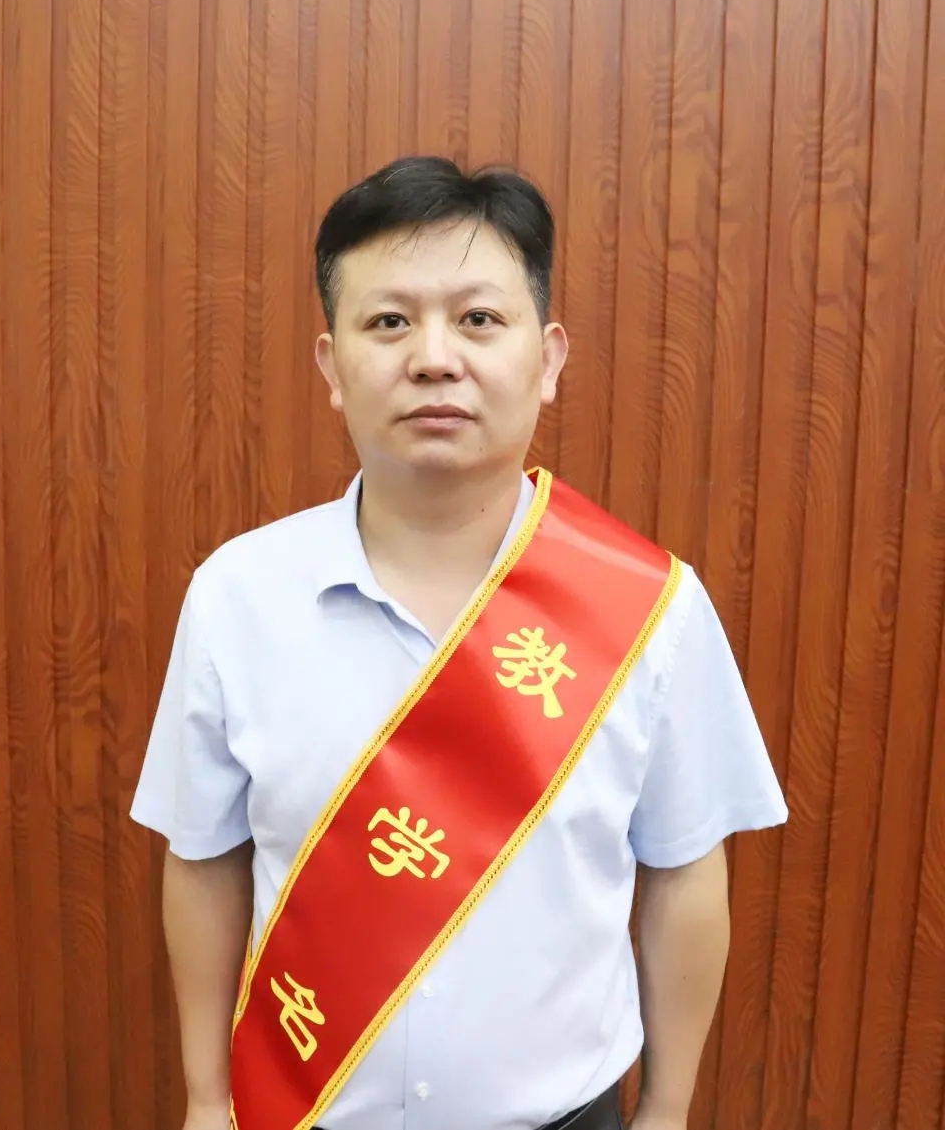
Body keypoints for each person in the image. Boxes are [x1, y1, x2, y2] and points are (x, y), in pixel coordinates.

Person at [130, 156, 788, 1130]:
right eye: (389, 322)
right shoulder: (238, 596)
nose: (434, 358)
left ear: (548, 358)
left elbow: (685, 868)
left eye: (478, 318)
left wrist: (666, 1109)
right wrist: (204, 1097)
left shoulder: (654, 610)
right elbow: (204, 856)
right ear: (331, 366)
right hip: (302, 1109)